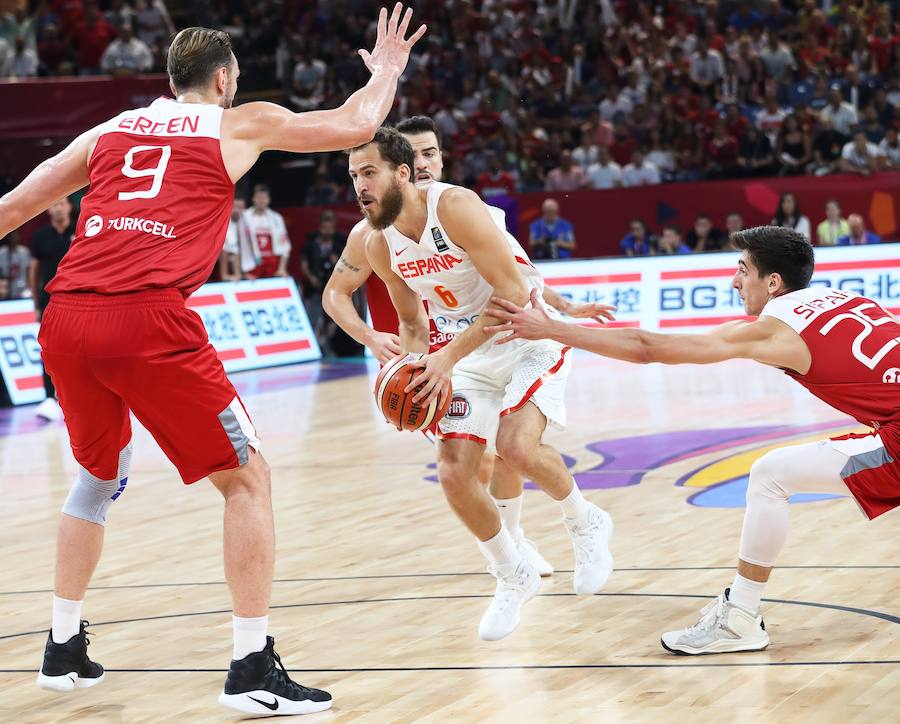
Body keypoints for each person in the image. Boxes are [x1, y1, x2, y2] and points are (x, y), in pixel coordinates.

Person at [0, 7, 425, 714]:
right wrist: (385, 72)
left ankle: (62, 647)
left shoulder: (110, 130)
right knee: (247, 480)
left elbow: (13, 206)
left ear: (170, 80)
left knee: (99, 475)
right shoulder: (237, 122)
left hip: (66, 319)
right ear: (224, 79)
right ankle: (251, 667)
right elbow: (356, 125)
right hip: (146, 318)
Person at [486, 226, 900, 655]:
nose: (734, 281)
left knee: (770, 476)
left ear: (772, 282)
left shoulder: (774, 332)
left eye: (743, 270)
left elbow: (647, 347)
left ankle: (740, 617)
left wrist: (552, 329)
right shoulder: (853, 300)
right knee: (775, 473)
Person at [353, 128, 614, 642]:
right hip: (464, 350)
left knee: (516, 446)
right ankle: (511, 572)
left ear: (401, 173)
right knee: (454, 472)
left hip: (526, 332)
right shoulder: (378, 243)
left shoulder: (455, 207)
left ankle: (585, 521)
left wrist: (447, 357)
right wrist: (410, 379)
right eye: (353, 176)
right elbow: (411, 323)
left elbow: (515, 289)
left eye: (368, 172)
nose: (359, 186)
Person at [28, 197, 76, 421]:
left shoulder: (84, 229)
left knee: (83, 347)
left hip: (79, 299)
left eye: (62, 204)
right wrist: (35, 302)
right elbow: (34, 269)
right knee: (48, 350)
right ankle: (49, 397)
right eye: (54, 204)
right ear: (48, 210)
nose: (58, 208)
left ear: (69, 207)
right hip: (49, 302)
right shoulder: (40, 237)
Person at [301, 210, 346, 352]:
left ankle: (327, 347)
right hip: (314, 288)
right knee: (313, 318)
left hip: (333, 288)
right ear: (320, 227)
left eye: (330, 228)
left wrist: (337, 262)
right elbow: (304, 264)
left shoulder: (339, 245)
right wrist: (311, 277)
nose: (327, 230)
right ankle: (316, 349)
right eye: (324, 227)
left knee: (333, 321)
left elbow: (348, 265)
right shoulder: (311, 243)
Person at [242, 184, 290, 278]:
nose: (261, 201)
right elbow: (240, 246)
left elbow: (285, 246)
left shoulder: (276, 218)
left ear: (269, 199)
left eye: (264, 198)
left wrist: (282, 268)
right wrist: (242, 272)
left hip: (272, 264)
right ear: (253, 199)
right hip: (251, 264)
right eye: (259, 197)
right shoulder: (244, 217)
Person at [219, 196, 249, 281]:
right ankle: (225, 275)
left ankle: (245, 273)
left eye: (240, 207)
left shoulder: (247, 221)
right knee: (225, 249)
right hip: (227, 254)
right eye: (234, 207)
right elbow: (229, 246)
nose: (237, 210)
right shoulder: (225, 222)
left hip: (241, 256)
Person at [0, 231, 31, 299]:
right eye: (11, 237)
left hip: (23, 285)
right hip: (6, 287)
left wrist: (30, 286)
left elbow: (28, 270)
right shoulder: (1, 252)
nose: (13, 239)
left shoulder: (24, 251)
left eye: (15, 236)